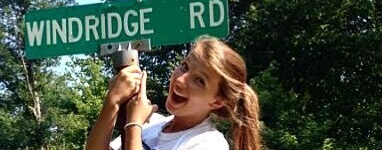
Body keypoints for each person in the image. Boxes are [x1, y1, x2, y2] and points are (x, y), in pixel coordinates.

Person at [85, 35, 261, 150]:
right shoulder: (151, 125)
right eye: (184, 66)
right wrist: (112, 102)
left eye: (200, 80)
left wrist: (133, 124)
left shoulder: (209, 143)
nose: (180, 80)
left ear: (217, 101)